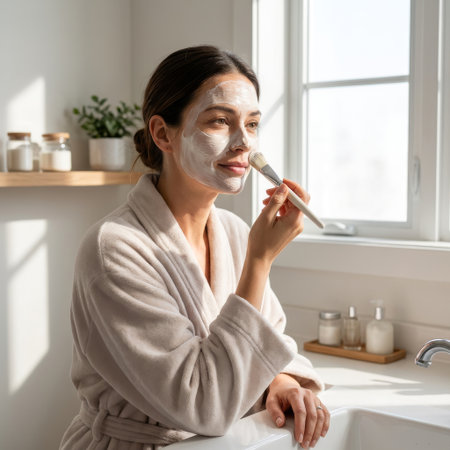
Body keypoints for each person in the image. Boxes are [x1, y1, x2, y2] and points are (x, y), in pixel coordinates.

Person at [60, 45, 329, 450]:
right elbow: (203, 405)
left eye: (253, 124)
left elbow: (267, 344)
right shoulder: (113, 248)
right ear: (163, 133)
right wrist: (260, 260)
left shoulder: (236, 232)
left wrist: (280, 379)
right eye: (220, 121)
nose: (245, 144)